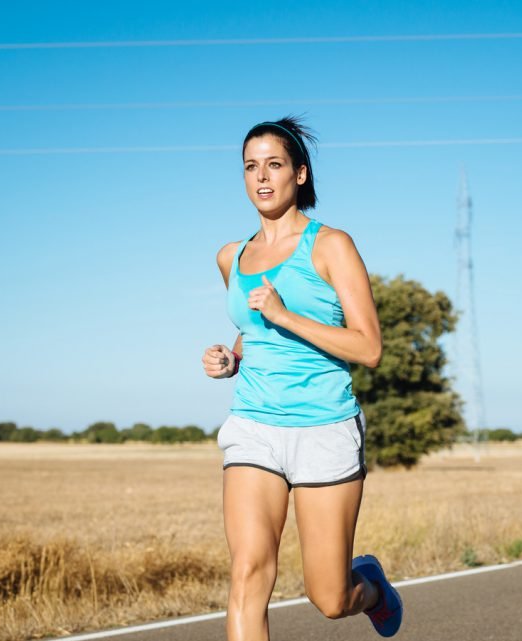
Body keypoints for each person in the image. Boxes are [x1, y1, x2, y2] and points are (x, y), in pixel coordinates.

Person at [202, 116, 404, 640]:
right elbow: (254, 330)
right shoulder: (232, 256)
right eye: (251, 166)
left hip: (324, 426)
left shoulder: (331, 245)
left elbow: (369, 347)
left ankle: (374, 588)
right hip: (254, 426)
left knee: (330, 597)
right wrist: (233, 358)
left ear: (300, 173)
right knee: (248, 573)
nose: (262, 177)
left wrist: (287, 313)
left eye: (274, 164)